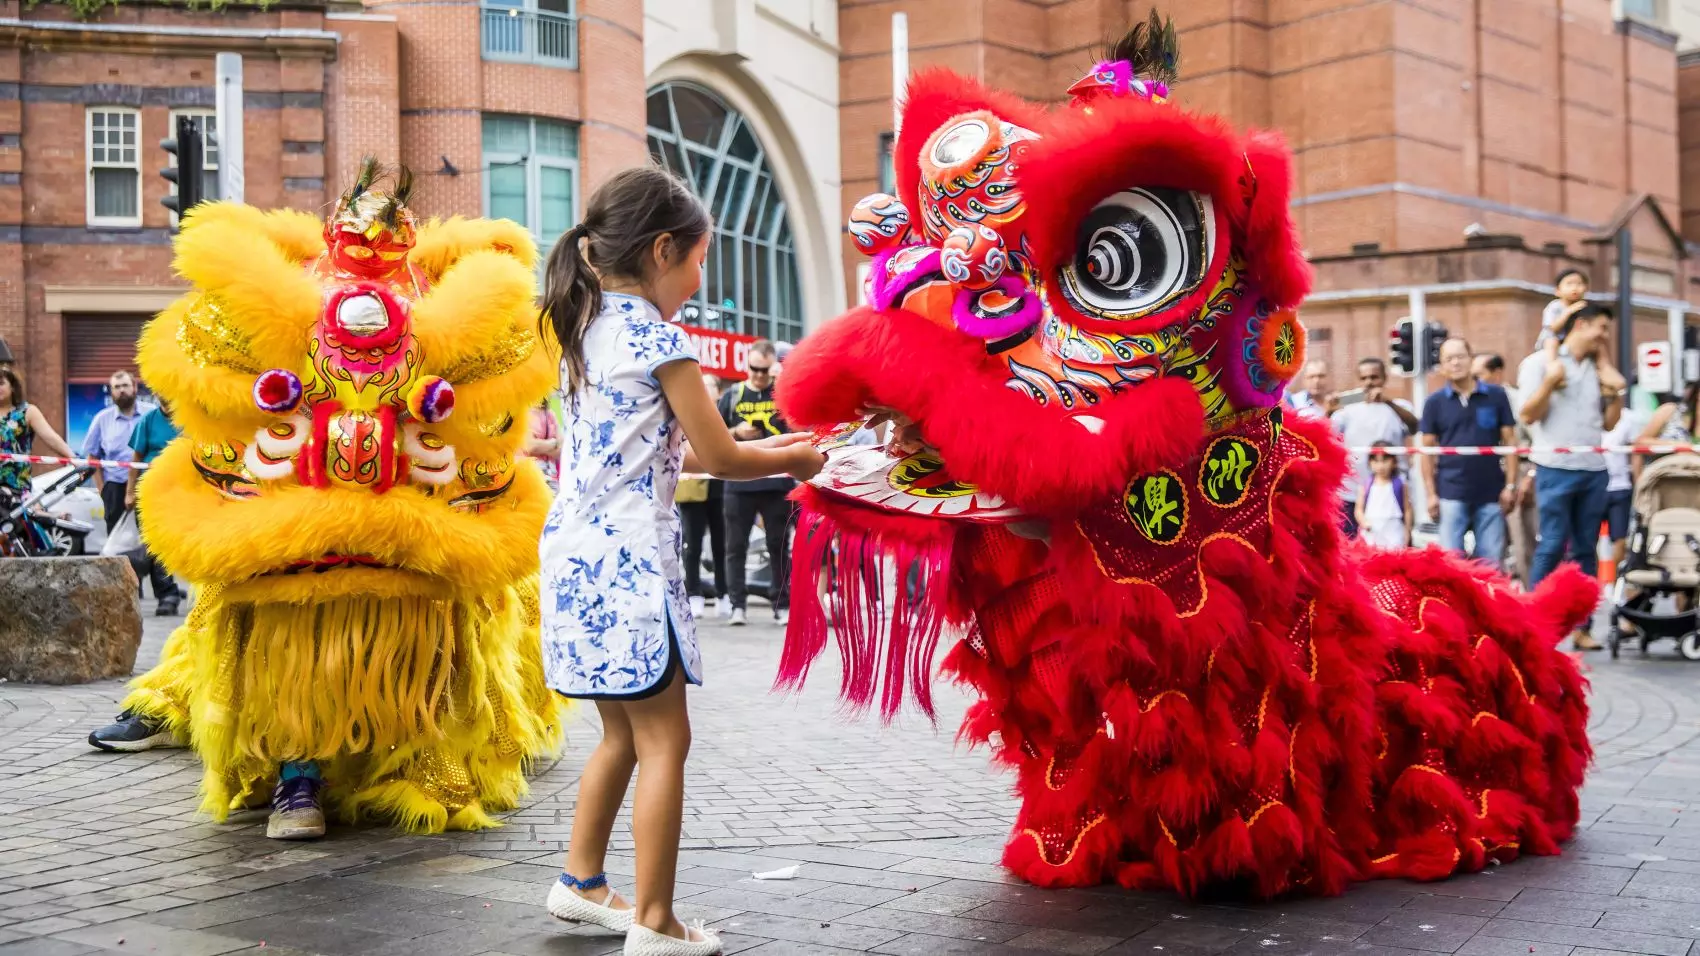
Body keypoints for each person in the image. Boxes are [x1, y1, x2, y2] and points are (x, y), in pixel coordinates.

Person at [536, 165, 823, 956]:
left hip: (575, 559)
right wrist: (800, 461)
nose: (699, 281)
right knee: (666, 742)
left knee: (620, 736)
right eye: (698, 262)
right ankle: (656, 921)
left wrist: (782, 452)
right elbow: (722, 455)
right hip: (631, 562)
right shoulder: (658, 338)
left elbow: (668, 457)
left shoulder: (583, 329)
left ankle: (582, 881)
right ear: (663, 250)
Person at [1517, 303, 1624, 650]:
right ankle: (1534, 622)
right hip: (1554, 468)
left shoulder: (1598, 368)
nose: (1604, 337)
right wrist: (1550, 382)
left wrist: (1615, 394)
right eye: (1602, 329)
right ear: (1582, 324)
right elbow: (1528, 415)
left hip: (1593, 469)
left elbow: (1609, 424)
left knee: (1586, 552)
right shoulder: (1538, 364)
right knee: (1550, 546)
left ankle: (1583, 627)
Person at [1419, 338, 1518, 567]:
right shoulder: (1434, 403)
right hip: (1450, 492)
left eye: (1460, 357)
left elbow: (1510, 442)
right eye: (1449, 359)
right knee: (1450, 564)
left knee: (1491, 564)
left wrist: (1510, 486)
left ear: (1471, 359)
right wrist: (1431, 494)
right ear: (1442, 366)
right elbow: (1427, 451)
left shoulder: (1496, 396)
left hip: (1491, 492)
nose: (1455, 363)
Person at [718, 340, 796, 626]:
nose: (760, 375)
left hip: (775, 482)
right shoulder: (733, 394)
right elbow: (711, 434)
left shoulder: (781, 393)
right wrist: (736, 431)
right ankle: (737, 603)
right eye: (754, 369)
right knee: (735, 545)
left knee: (779, 544)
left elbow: (799, 425)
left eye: (765, 370)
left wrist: (783, 382)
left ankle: (782, 603)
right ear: (746, 365)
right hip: (739, 483)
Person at [1332, 357, 1418, 537]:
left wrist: (1387, 401)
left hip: (1391, 494)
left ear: (1384, 378)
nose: (1369, 382)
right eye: (1364, 378)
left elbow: (1415, 427)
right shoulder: (1347, 412)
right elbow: (1327, 433)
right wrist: (1328, 409)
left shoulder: (1400, 406)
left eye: (1374, 377)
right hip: (1353, 494)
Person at [1477, 351, 1540, 588]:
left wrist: (1530, 477)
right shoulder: (1474, 399)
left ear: (1497, 373)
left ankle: (1531, 597)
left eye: (1480, 374)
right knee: (1491, 547)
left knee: (1523, 541)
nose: (1476, 379)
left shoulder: (1517, 400)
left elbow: (1536, 441)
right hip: (1491, 475)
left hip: (1520, 473)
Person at [126, 402, 183, 616]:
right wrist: (130, 492)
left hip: (181, 492)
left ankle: (170, 589)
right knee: (155, 544)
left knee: (172, 544)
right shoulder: (148, 420)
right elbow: (135, 460)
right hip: (150, 492)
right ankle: (168, 594)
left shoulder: (187, 419)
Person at [679, 375, 728, 617]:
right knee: (692, 545)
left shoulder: (724, 414)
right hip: (691, 488)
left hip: (720, 488)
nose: (706, 392)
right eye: (702, 387)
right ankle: (694, 592)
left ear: (719, 392)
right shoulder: (687, 412)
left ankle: (723, 592)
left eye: (710, 387)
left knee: (721, 543)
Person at [82, 370, 152, 534]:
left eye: (125, 385)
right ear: (111, 391)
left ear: (134, 387)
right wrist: (103, 490)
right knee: (116, 540)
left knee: (150, 539)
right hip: (115, 487)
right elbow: (93, 457)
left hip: (147, 484)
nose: (121, 390)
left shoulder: (151, 414)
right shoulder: (102, 419)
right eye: (117, 387)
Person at [0, 366, 75, 503]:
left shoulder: (27, 412)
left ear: (13, 387)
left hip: (16, 488)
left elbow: (51, 438)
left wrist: (73, 458)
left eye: (1, 383)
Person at [1356, 443, 1412, 549]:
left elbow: (1407, 509)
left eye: (1385, 460)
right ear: (1370, 462)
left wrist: (1407, 531)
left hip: (1394, 530)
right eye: (1376, 461)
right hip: (1371, 530)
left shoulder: (1400, 484)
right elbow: (1358, 509)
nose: (1380, 466)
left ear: (1394, 462)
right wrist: (1363, 522)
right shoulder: (1366, 484)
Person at [524, 396, 562, 492]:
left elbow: (561, 449)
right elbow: (530, 446)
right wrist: (553, 442)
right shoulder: (524, 414)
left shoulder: (550, 414)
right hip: (531, 476)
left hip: (551, 477)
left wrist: (541, 446)